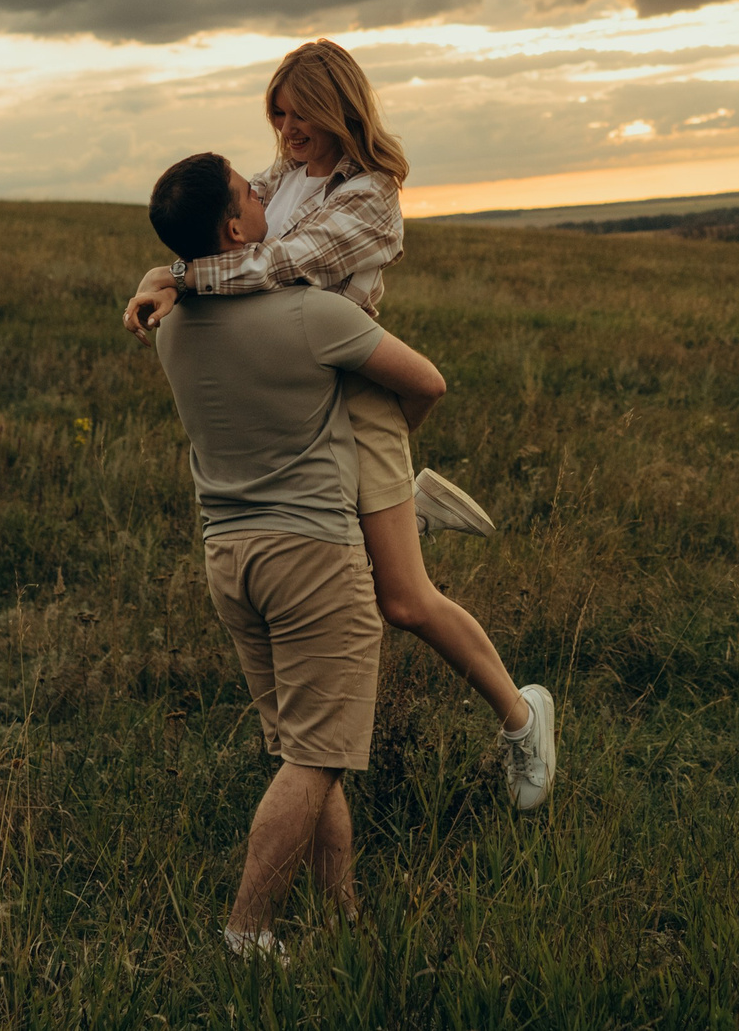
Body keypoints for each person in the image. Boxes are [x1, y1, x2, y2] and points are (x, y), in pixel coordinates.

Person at [124, 42, 557, 811]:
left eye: (301, 114)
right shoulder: (284, 173)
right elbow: (223, 232)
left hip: (353, 387)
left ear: (339, 108)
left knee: (403, 600)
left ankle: (523, 719)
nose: (288, 129)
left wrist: (177, 277)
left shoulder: (370, 195)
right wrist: (165, 273)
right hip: (293, 384)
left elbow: (277, 266)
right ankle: (402, 515)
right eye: (278, 113)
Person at [143, 152, 509, 957]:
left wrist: (161, 279)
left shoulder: (170, 325)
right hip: (313, 558)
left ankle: (341, 914)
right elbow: (428, 382)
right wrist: (391, 461)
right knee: (315, 758)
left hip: (229, 558)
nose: (261, 191)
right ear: (234, 229)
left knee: (306, 751)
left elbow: (177, 278)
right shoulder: (313, 315)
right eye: (247, 191)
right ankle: (248, 929)